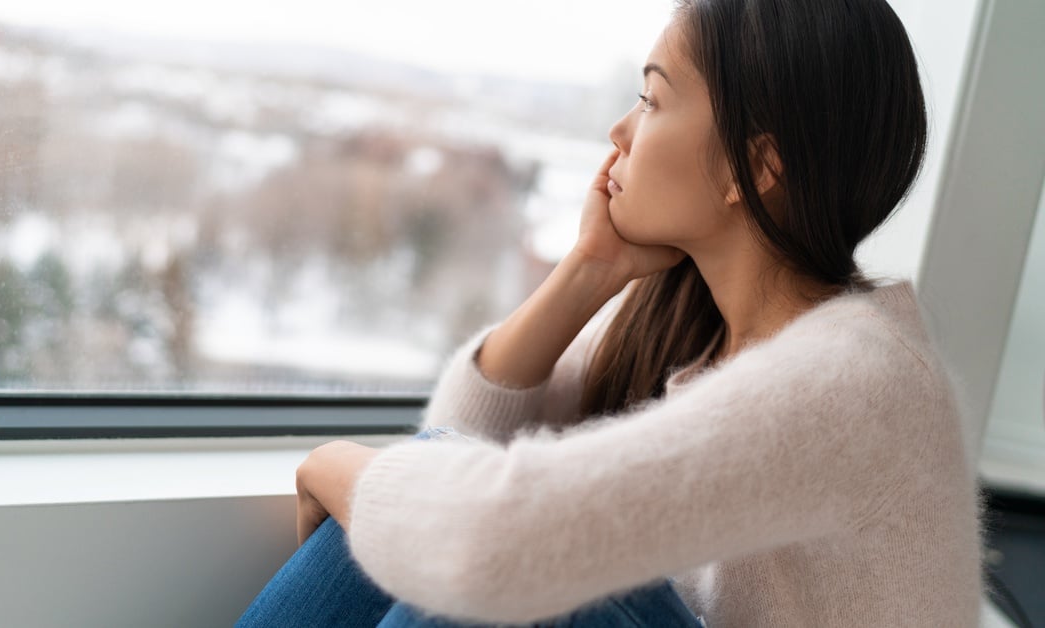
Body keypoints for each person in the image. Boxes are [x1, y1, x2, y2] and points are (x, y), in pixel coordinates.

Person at [236, 0, 984, 625]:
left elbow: (483, 541)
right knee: (436, 494)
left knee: (494, 549)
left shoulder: (859, 381)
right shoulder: (697, 322)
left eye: (653, 100)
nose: (619, 132)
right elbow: (465, 432)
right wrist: (588, 271)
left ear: (753, 169)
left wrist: (336, 466)